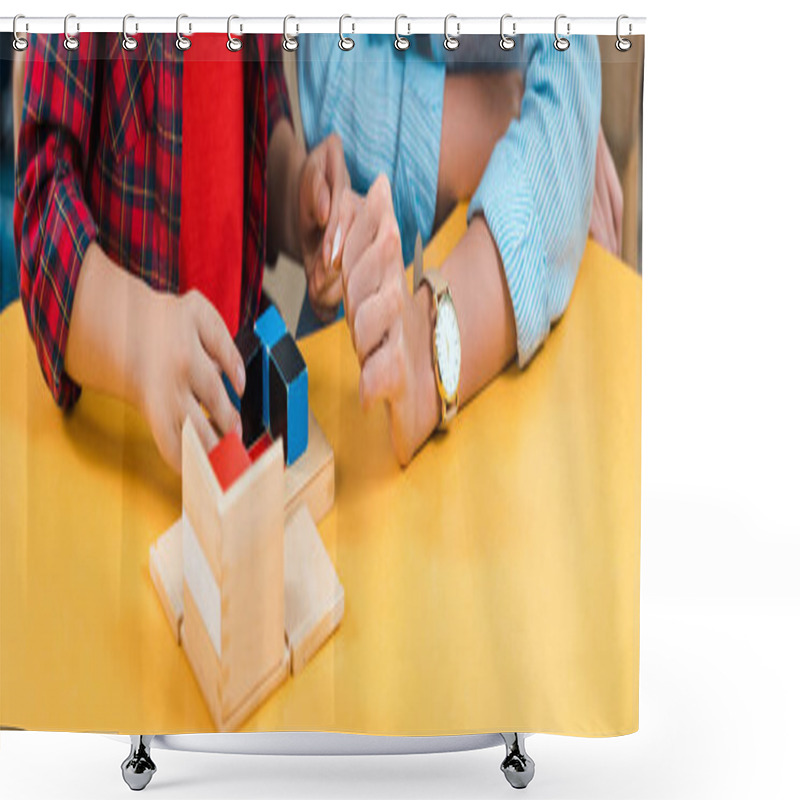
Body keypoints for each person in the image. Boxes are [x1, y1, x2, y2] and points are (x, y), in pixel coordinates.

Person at [15, 32, 349, 472]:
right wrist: (141, 343)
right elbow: (41, 213)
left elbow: (260, 117)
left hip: (233, 374)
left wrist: (295, 195)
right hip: (122, 429)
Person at [297, 34, 604, 464]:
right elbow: (338, 97)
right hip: (351, 336)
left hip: (513, 349)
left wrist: (427, 348)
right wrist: (516, 114)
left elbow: (567, 90)